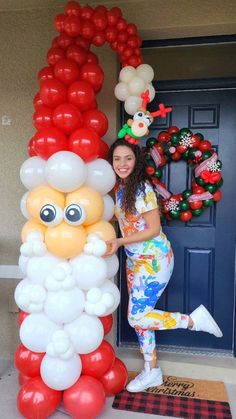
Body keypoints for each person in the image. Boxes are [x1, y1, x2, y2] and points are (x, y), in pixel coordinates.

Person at [105, 138, 223, 393]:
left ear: (136, 161)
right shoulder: (118, 188)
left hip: (154, 260)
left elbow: (154, 229)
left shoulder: (142, 189)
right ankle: (151, 371)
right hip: (135, 260)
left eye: (127, 158)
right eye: (117, 159)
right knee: (141, 319)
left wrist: (119, 240)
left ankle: (192, 321)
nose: (122, 164)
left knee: (136, 316)